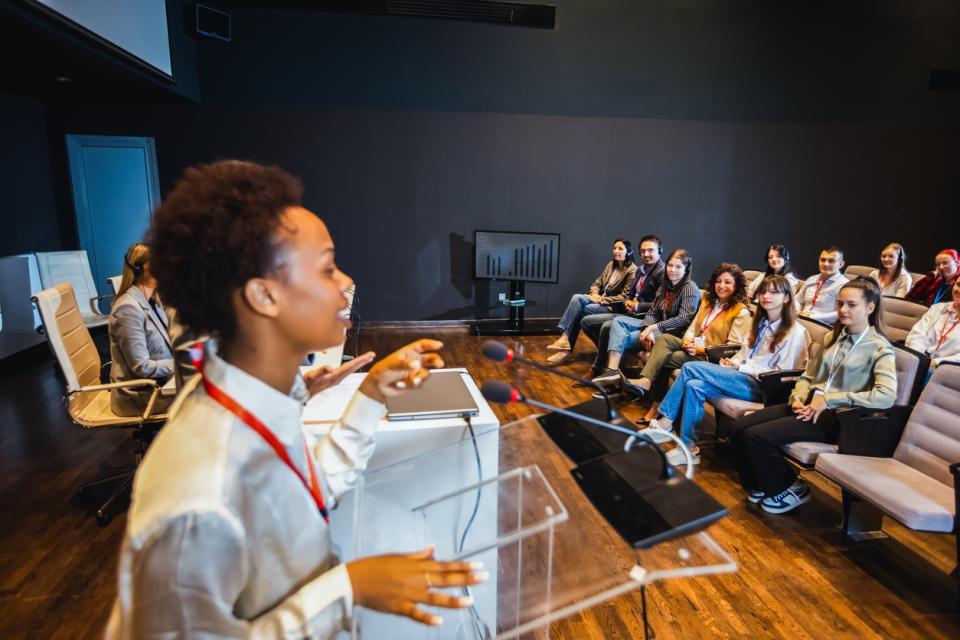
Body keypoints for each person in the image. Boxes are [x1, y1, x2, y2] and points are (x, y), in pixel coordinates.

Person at [105, 161, 487, 638]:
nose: (345, 282)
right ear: (264, 295)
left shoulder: (256, 403)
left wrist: (370, 395)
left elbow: (302, 498)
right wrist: (347, 587)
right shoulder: (198, 492)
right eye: (327, 267)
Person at [729, 277, 897, 515]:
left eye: (851, 305)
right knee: (738, 428)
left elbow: (886, 396)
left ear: (870, 308)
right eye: (840, 304)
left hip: (837, 417)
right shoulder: (833, 337)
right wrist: (797, 397)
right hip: (808, 405)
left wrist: (829, 400)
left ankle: (790, 487)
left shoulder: (880, 347)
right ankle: (762, 483)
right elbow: (808, 377)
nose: (842, 310)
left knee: (757, 436)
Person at [636, 275, 810, 466]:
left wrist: (741, 366)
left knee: (690, 367)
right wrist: (732, 361)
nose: (766, 296)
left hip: (764, 387)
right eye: (763, 291)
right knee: (695, 385)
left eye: (774, 292)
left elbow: (781, 372)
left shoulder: (795, 332)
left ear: (786, 298)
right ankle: (689, 449)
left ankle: (665, 422)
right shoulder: (760, 322)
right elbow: (744, 352)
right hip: (742, 377)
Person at [621, 262, 752, 424]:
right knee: (664, 339)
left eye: (727, 282)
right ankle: (647, 385)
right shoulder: (709, 302)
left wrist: (699, 349)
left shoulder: (741, 312)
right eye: (718, 281)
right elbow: (692, 328)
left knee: (663, 358)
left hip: (711, 359)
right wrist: (687, 341)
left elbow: (731, 350)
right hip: (692, 348)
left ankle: (654, 408)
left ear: (737, 285)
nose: (721, 286)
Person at [591, 249, 699, 384]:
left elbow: (683, 319)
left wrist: (653, 328)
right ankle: (612, 372)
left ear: (686, 269)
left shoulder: (689, 287)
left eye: (678, 267)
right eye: (670, 265)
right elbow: (653, 311)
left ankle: (613, 381)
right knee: (617, 321)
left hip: (671, 334)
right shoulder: (665, 286)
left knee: (622, 338)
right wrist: (647, 327)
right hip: (654, 328)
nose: (672, 270)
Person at [580, 235, 665, 376]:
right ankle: (607, 363)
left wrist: (637, 306)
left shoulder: (662, 273)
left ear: (660, 251)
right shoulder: (640, 270)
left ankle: (600, 368)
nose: (646, 254)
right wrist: (628, 302)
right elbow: (629, 295)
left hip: (645, 318)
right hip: (628, 312)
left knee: (607, 327)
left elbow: (660, 305)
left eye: (651, 250)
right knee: (586, 321)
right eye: (643, 251)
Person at [108, 243, 175, 417]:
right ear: (139, 269)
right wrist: (181, 364)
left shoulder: (153, 300)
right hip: (140, 396)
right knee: (204, 398)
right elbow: (141, 366)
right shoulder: (128, 309)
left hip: (160, 384)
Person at [546, 239, 637, 363]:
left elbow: (625, 297)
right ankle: (564, 338)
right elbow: (597, 283)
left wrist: (601, 300)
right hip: (598, 300)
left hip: (612, 306)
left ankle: (565, 347)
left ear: (629, 252)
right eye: (615, 248)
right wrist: (594, 294)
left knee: (579, 310)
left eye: (620, 249)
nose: (616, 251)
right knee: (577, 298)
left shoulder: (632, 270)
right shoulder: (611, 265)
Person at [905, 278, 960, 379]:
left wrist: (935, 362)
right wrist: (918, 357)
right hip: (920, 360)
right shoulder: (937, 308)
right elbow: (918, 333)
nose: (959, 290)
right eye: (958, 285)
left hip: (945, 371)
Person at [797, 246, 848, 324]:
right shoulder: (811, 279)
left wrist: (811, 317)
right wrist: (796, 311)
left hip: (822, 325)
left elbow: (842, 313)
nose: (826, 264)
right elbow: (797, 300)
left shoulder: (845, 285)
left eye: (831, 261)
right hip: (800, 319)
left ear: (841, 264)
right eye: (823, 260)